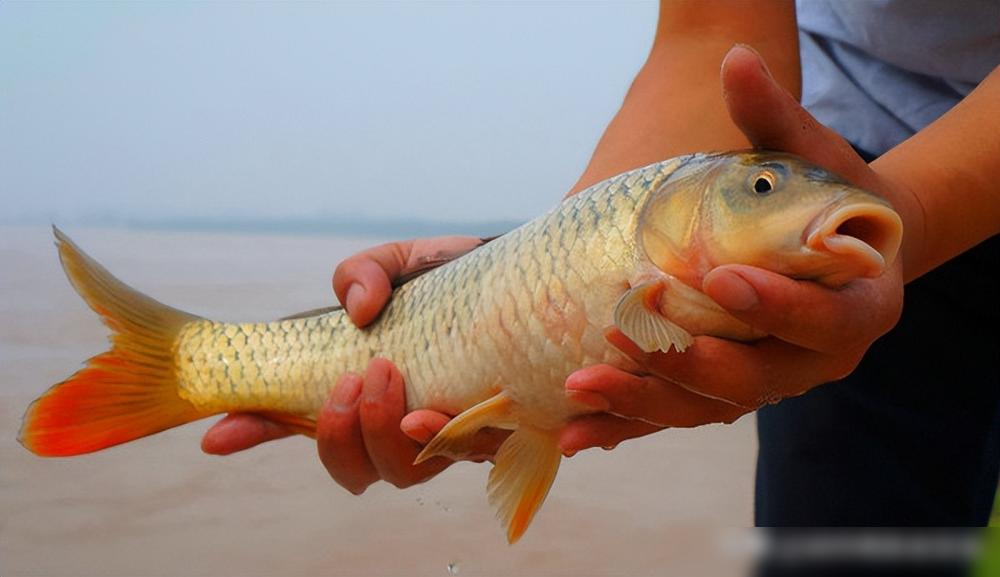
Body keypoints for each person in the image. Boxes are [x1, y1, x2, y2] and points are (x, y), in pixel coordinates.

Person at [201, 0, 1000, 525]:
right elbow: (710, 32)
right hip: (838, 155)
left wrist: (916, 209)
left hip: (843, 191)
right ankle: (190, 366)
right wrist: (522, 270)